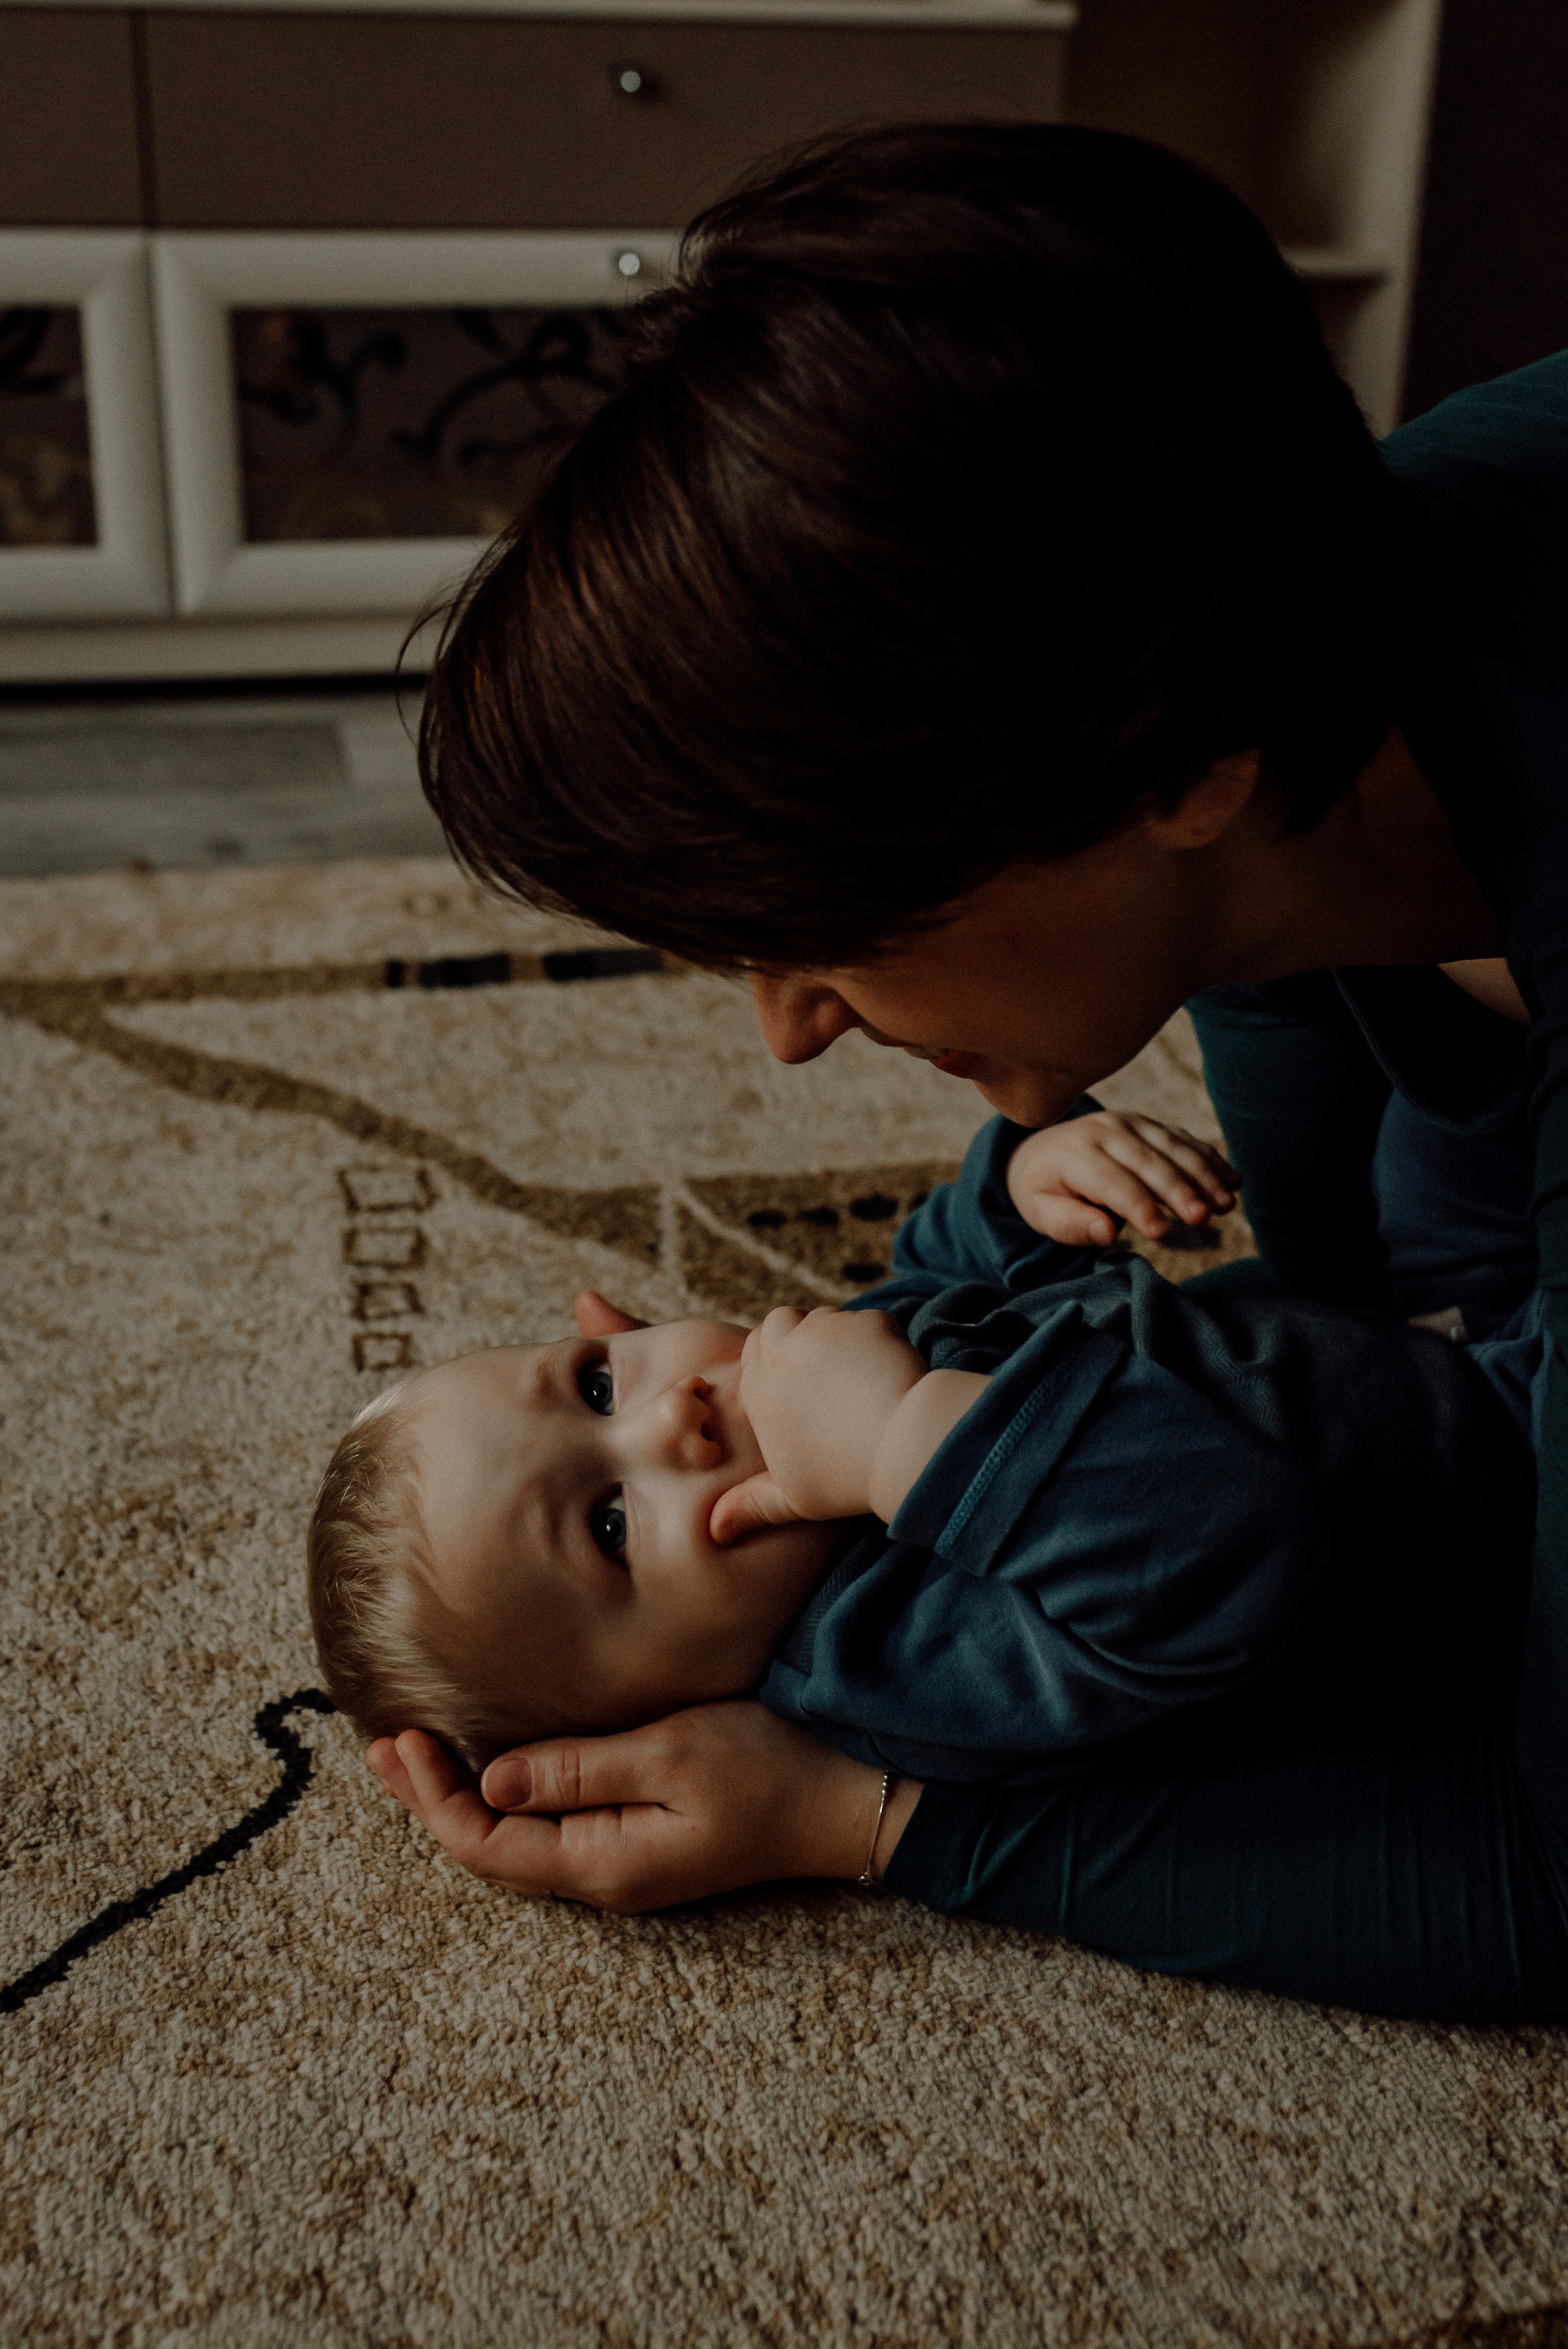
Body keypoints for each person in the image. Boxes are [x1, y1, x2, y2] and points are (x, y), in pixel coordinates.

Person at [371, 123, 1568, 2019]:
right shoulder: (1299, 685)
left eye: (821, 917)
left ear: (1178, 767)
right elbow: (1329, 1271)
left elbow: (1546, 1884)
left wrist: (860, 1816)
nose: (785, 1029)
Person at [321, 1104, 1535, 1790]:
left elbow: (934, 1282)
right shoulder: (895, 1657)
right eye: (608, 1523)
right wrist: (900, 1437)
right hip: (1502, 1485)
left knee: (1437, 1065)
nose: (666, 1417)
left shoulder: (808, 1407)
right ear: (659, 1712)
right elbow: (1224, 1541)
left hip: (1402, 1325)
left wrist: (1020, 1188)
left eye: (596, 1383)